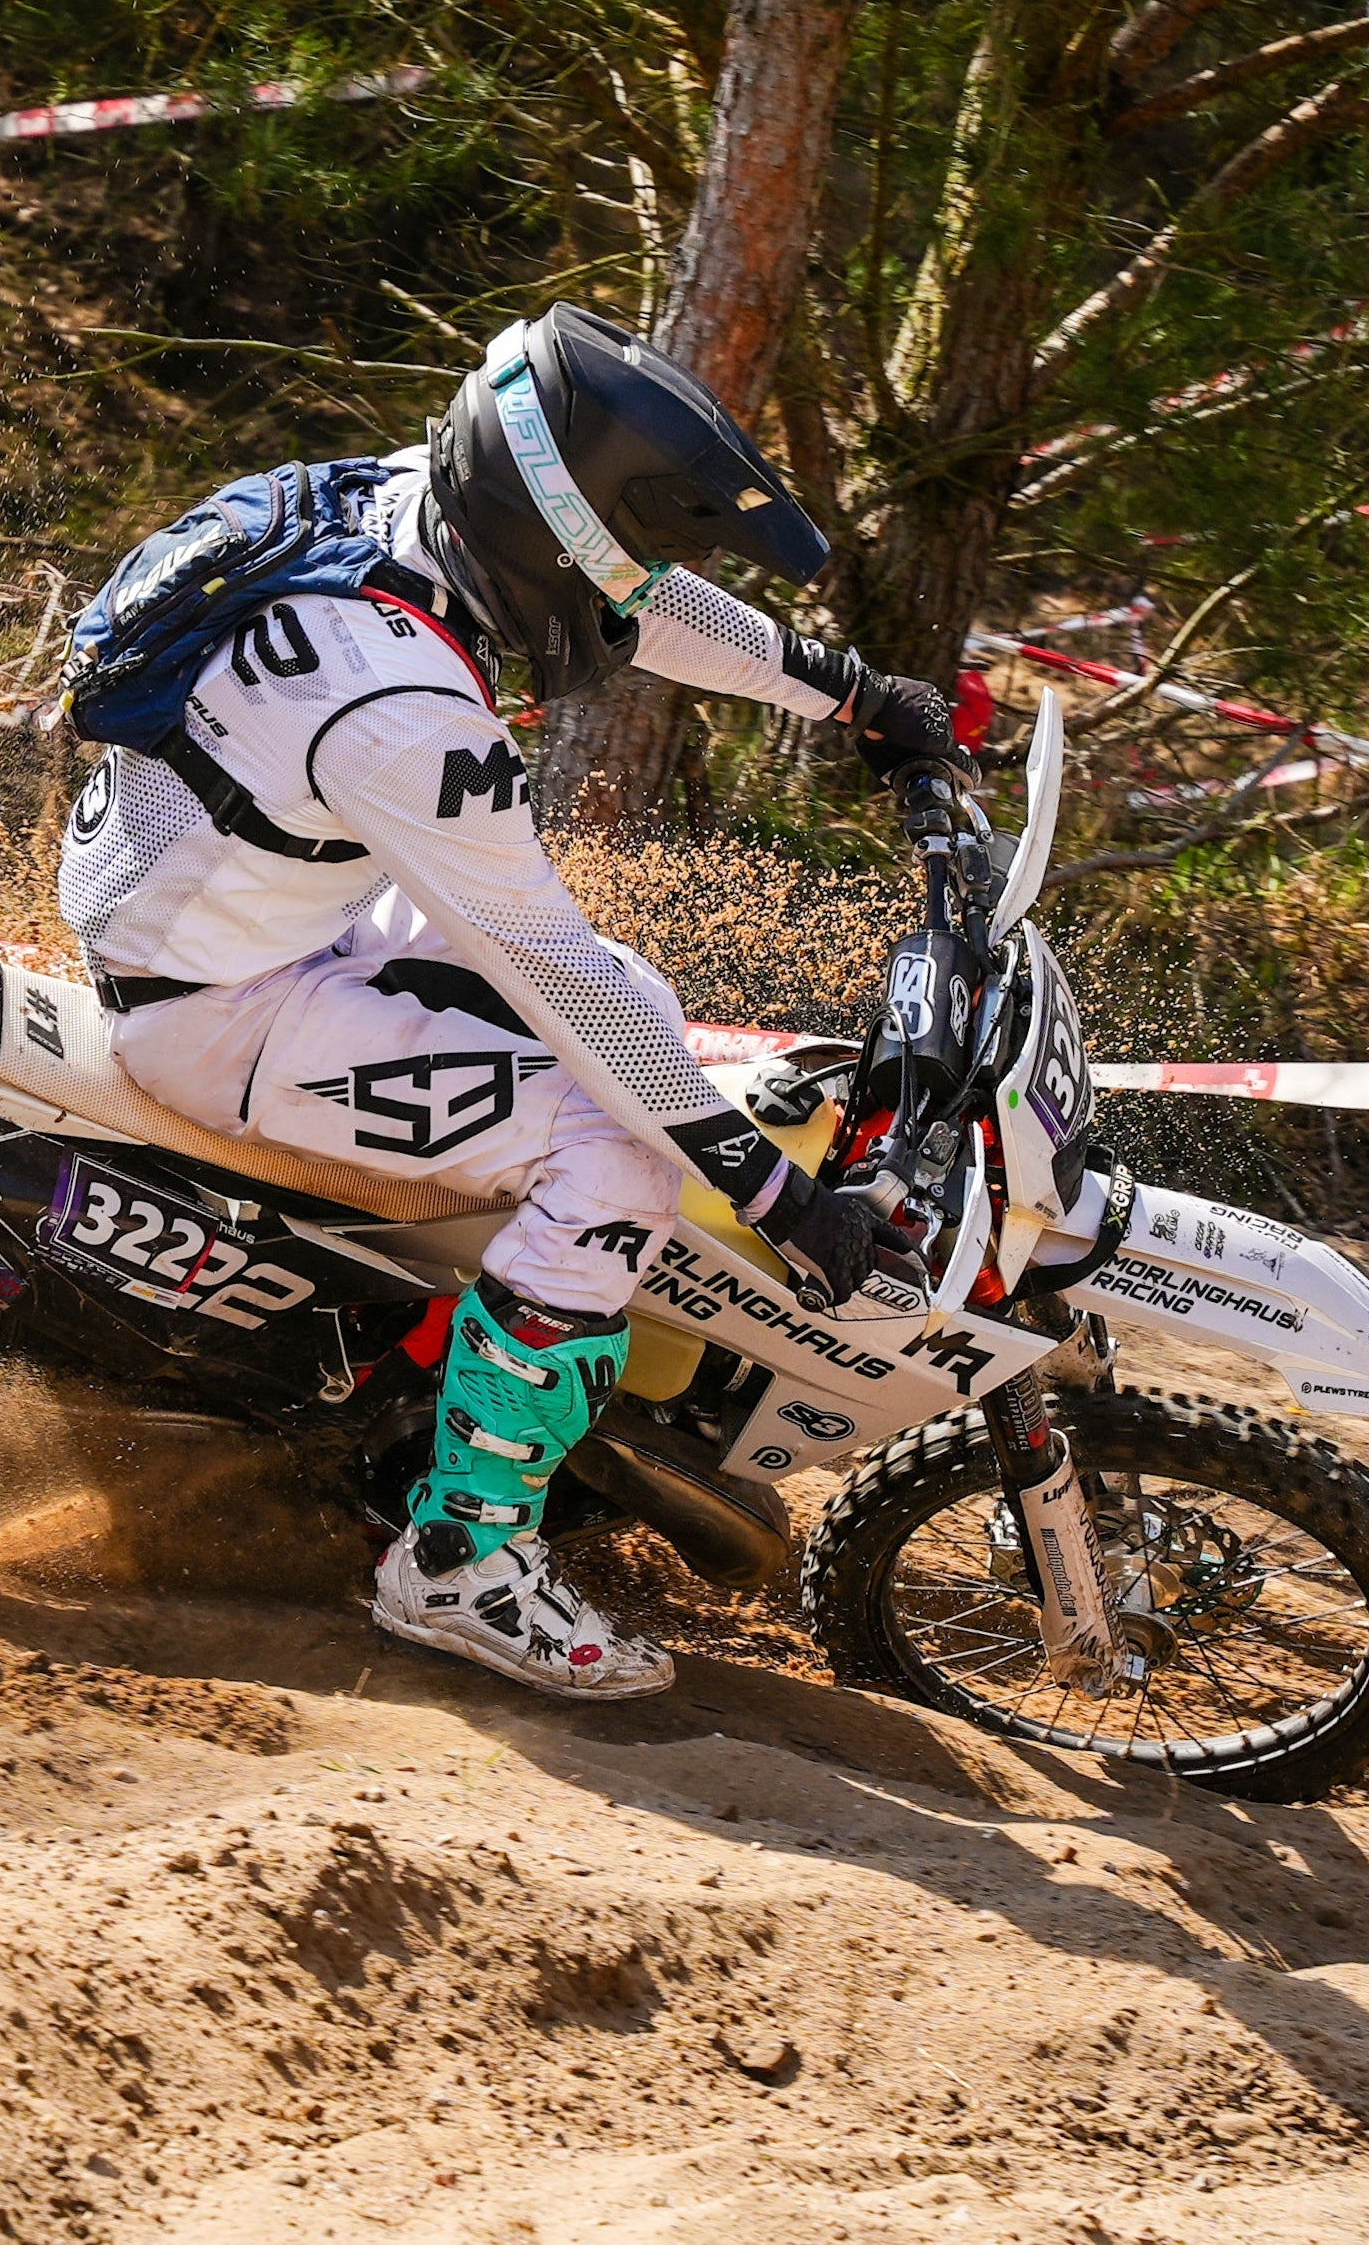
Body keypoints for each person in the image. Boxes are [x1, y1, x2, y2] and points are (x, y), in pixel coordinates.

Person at [55, 304, 966, 1701]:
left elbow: (635, 602)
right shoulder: (402, 709)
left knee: (636, 1009)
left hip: (248, 908)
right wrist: (778, 1199)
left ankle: (456, 1348)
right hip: (219, 1007)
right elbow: (556, 974)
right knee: (616, 1150)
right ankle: (460, 1559)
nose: (644, 589)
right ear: (545, 530)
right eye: (624, 556)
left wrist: (850, 694)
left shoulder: (395, 506)